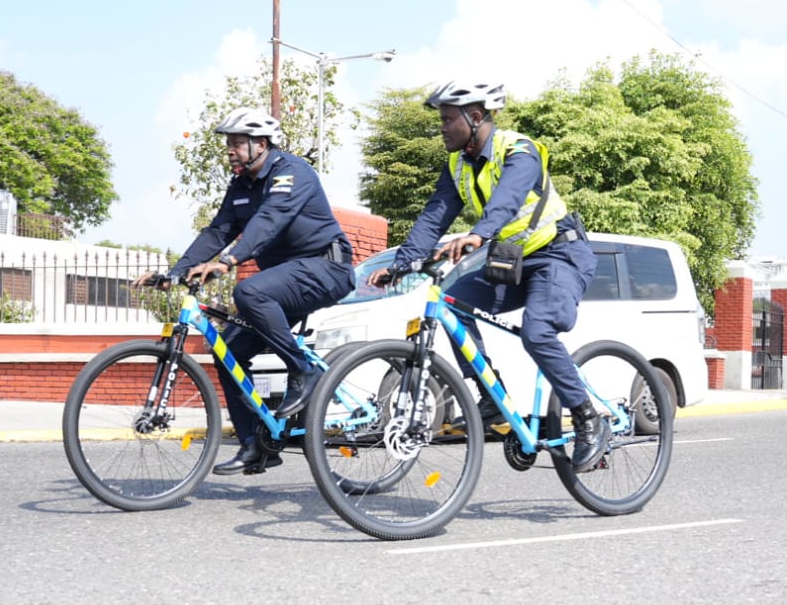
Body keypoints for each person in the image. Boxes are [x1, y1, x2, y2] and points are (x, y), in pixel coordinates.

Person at [369, 80, 606, 471]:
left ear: (475, 117)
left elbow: (506, 200)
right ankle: (490, 398)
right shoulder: (458, 164)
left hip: (560, 254)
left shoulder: (519, 150)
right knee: (453, 302)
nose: (441, 128)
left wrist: (478, 234)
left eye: (447, 120)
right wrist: (400, 264)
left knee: (537, 331)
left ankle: (587, 418)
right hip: (512, 261)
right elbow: (434, 217)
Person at [137, 107, 354, 475]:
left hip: (326, 268)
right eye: (229, 144)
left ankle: (303, 371)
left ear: (261, 144)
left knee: (250, 292)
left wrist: (229, 262)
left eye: (237, 143)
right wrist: (175, 274)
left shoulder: (292, 172)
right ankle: (256, 445)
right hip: (287, 279)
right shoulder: (241, 185)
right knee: (228, 351)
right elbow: (218, 231)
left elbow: (271, 220)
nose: (230, 151)